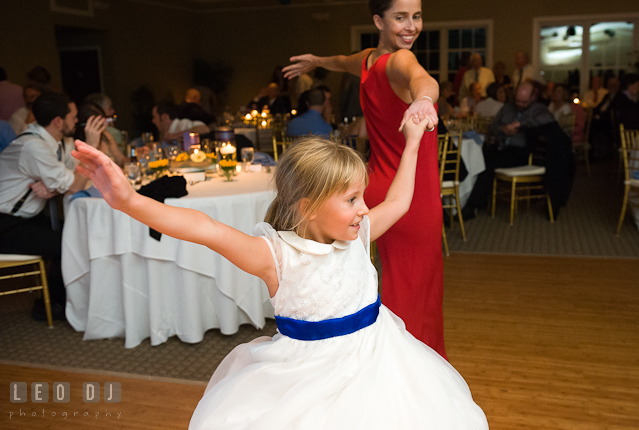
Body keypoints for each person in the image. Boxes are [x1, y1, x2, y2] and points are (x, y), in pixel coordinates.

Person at [72, 123, 489, 430]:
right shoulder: (276, 256)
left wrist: (413, 141)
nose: (364, 209)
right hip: (305, 378)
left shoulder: (358, 235)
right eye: (351, 199)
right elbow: (205, 228)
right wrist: (128, 200)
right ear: (308, 207)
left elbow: (398, 200)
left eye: (362, 198)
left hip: (382, 362)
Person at [283, 0, 444, 356]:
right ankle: (408, 371)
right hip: (412, 195)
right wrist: (424, 99)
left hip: (375, 189)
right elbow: (422, 78)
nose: (412, 27)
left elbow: (343, 61)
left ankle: (371, 360)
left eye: (417, 16)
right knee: (415, 287)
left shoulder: (371, 60)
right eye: (400, 17)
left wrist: (319, 61)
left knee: (381, 279)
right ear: (379, 22)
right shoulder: (399, 60)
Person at [0, 91, 104, 321]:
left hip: (23, 218)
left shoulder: (52, 143)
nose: (77, 121)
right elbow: (76, 184)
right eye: (73, 116)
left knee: (74, 232)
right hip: (5, 224)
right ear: (58, 121)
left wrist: (54, 186)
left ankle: (60, 301)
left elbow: (76, 176)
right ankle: (56, 305)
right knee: (67, 242)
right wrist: (92, 146)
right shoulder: (33, 147)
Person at [462, 82, 555, 220]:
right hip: (501, 146)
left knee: (489, 163)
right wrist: (503, 130)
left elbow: (547, 121)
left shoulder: (539, 109)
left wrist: (520, 125)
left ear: (532, 98)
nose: (520, 104)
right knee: (478, 157)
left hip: (519, 152)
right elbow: (492, 127)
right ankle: (464, 200)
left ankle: (472, 205)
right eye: (518, 100)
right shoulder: (507, 107)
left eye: (524, 102)